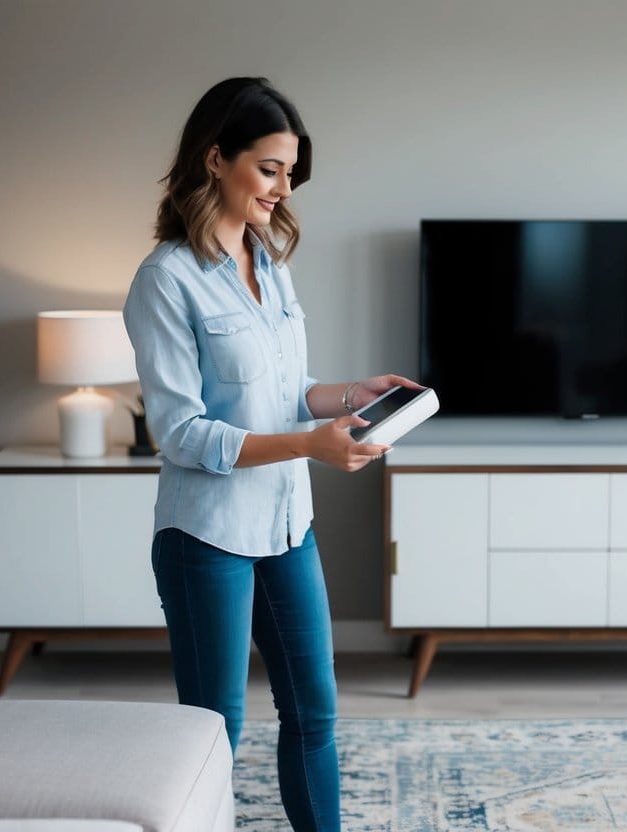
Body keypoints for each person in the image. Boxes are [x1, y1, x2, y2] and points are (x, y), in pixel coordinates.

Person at [122, 76, 420, 832]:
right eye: (269, 169)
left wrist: (350, 395)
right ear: (216, 158)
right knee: (212, 735)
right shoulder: (165, 281)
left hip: (287, 526)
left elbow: (285, 390)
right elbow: (181, 433)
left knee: (314, 714)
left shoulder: (270, 264)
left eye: (291, 173)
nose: (283, 190)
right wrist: (309, 447)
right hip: (206, 538)